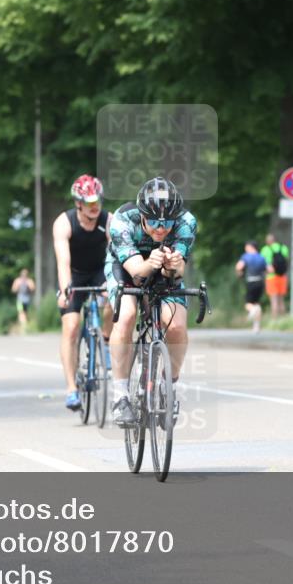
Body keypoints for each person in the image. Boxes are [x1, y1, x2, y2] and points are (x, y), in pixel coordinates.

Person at [106, 177, 197, 427]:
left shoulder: (186, 223)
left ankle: (170, 387)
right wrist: (150, 263)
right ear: (142, 215)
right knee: (125, 316)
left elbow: (175, 274)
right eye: (154, 222)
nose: (161, 228)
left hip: (160, 266)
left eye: (167, 222)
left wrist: (173, 267)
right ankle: (120, 395)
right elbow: (136, 272)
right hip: (126, 267)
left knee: (177, 326)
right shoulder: (123, 221)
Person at [53, 174, 114, 412]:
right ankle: (71, 389)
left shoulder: (108, 220)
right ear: (78, 203)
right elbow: (62, 261)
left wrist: (112, 283)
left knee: (114, 300)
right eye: (89, 203)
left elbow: (115, 255)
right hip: (74, 274)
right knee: (70, 327)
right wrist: (66, 288)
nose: (94, 206)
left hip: (100, 270)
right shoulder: (64, 222)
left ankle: (106, 341)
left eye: (97, 201)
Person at [235, 240, 266, 333]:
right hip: (260, 282)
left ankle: (252, 310)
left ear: (250, 247)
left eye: (246, 247)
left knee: (248, 304)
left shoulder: (246, 256)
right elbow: (268, 269)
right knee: (257, 303)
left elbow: (239, 267)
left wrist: (239, 274)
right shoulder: (261, 257)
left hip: (251, 282)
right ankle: (256, 327)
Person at [260, 233, 289, 318]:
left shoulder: (265, 249)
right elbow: (287, 261)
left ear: (267, 241)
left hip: (271, 277)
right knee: (281, 300)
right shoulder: (283, 248)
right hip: (282, 276)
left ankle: (275, 320)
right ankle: (283, 320)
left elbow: (262, 263)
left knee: (274, 300)